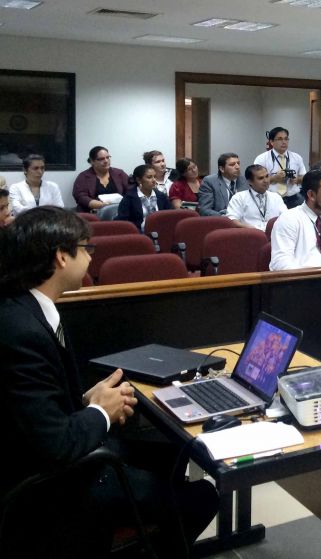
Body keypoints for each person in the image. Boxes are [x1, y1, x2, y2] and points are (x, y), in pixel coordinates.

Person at [0, 207, 218, 556]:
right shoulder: (21, 331)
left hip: (53, 454)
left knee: (176, 454)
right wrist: (100, 412)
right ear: (61, 257)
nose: (90, 257)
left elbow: (34, 408)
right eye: (85, 248)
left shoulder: (26, 308)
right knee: (203, 496)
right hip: (50, 488)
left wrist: (87, 401)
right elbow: (55, 444)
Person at [253, 126, 306, 209]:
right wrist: (274, 178)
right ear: (271, 142)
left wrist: (297, 179)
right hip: (271, 200)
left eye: (286, 139)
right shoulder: (262, 159)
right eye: (280, 139)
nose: (284, 142)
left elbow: (305, 177)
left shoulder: (297, 157)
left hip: (294, 199)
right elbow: (256, 181)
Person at [226, 164, 287, 231]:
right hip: (250, 234)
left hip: (274, 233)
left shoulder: (276, 197)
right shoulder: (239, 198)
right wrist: (253, 230)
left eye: (267, 176)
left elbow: (286, 217)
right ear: (250, 182)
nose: (266, 181)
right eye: (261, 178)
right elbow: (232, 220)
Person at [72, 146, 129, 213]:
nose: (106, 161)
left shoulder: (119, 173)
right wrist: (96, 204)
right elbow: (80, 196)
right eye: (101, 159)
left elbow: (130, 190)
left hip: (119, 210)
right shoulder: (84, 176)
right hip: (92, 212)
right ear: (92, 161)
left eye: (108, 157)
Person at [117, 164, 173, 232]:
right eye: (149, 177)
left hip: (161, 232)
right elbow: (123, 222)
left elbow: (170, 217)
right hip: (137, 234)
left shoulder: (161, 196)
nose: (154, 180)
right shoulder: (129, 198)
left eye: (155, 177)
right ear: (139, 180)